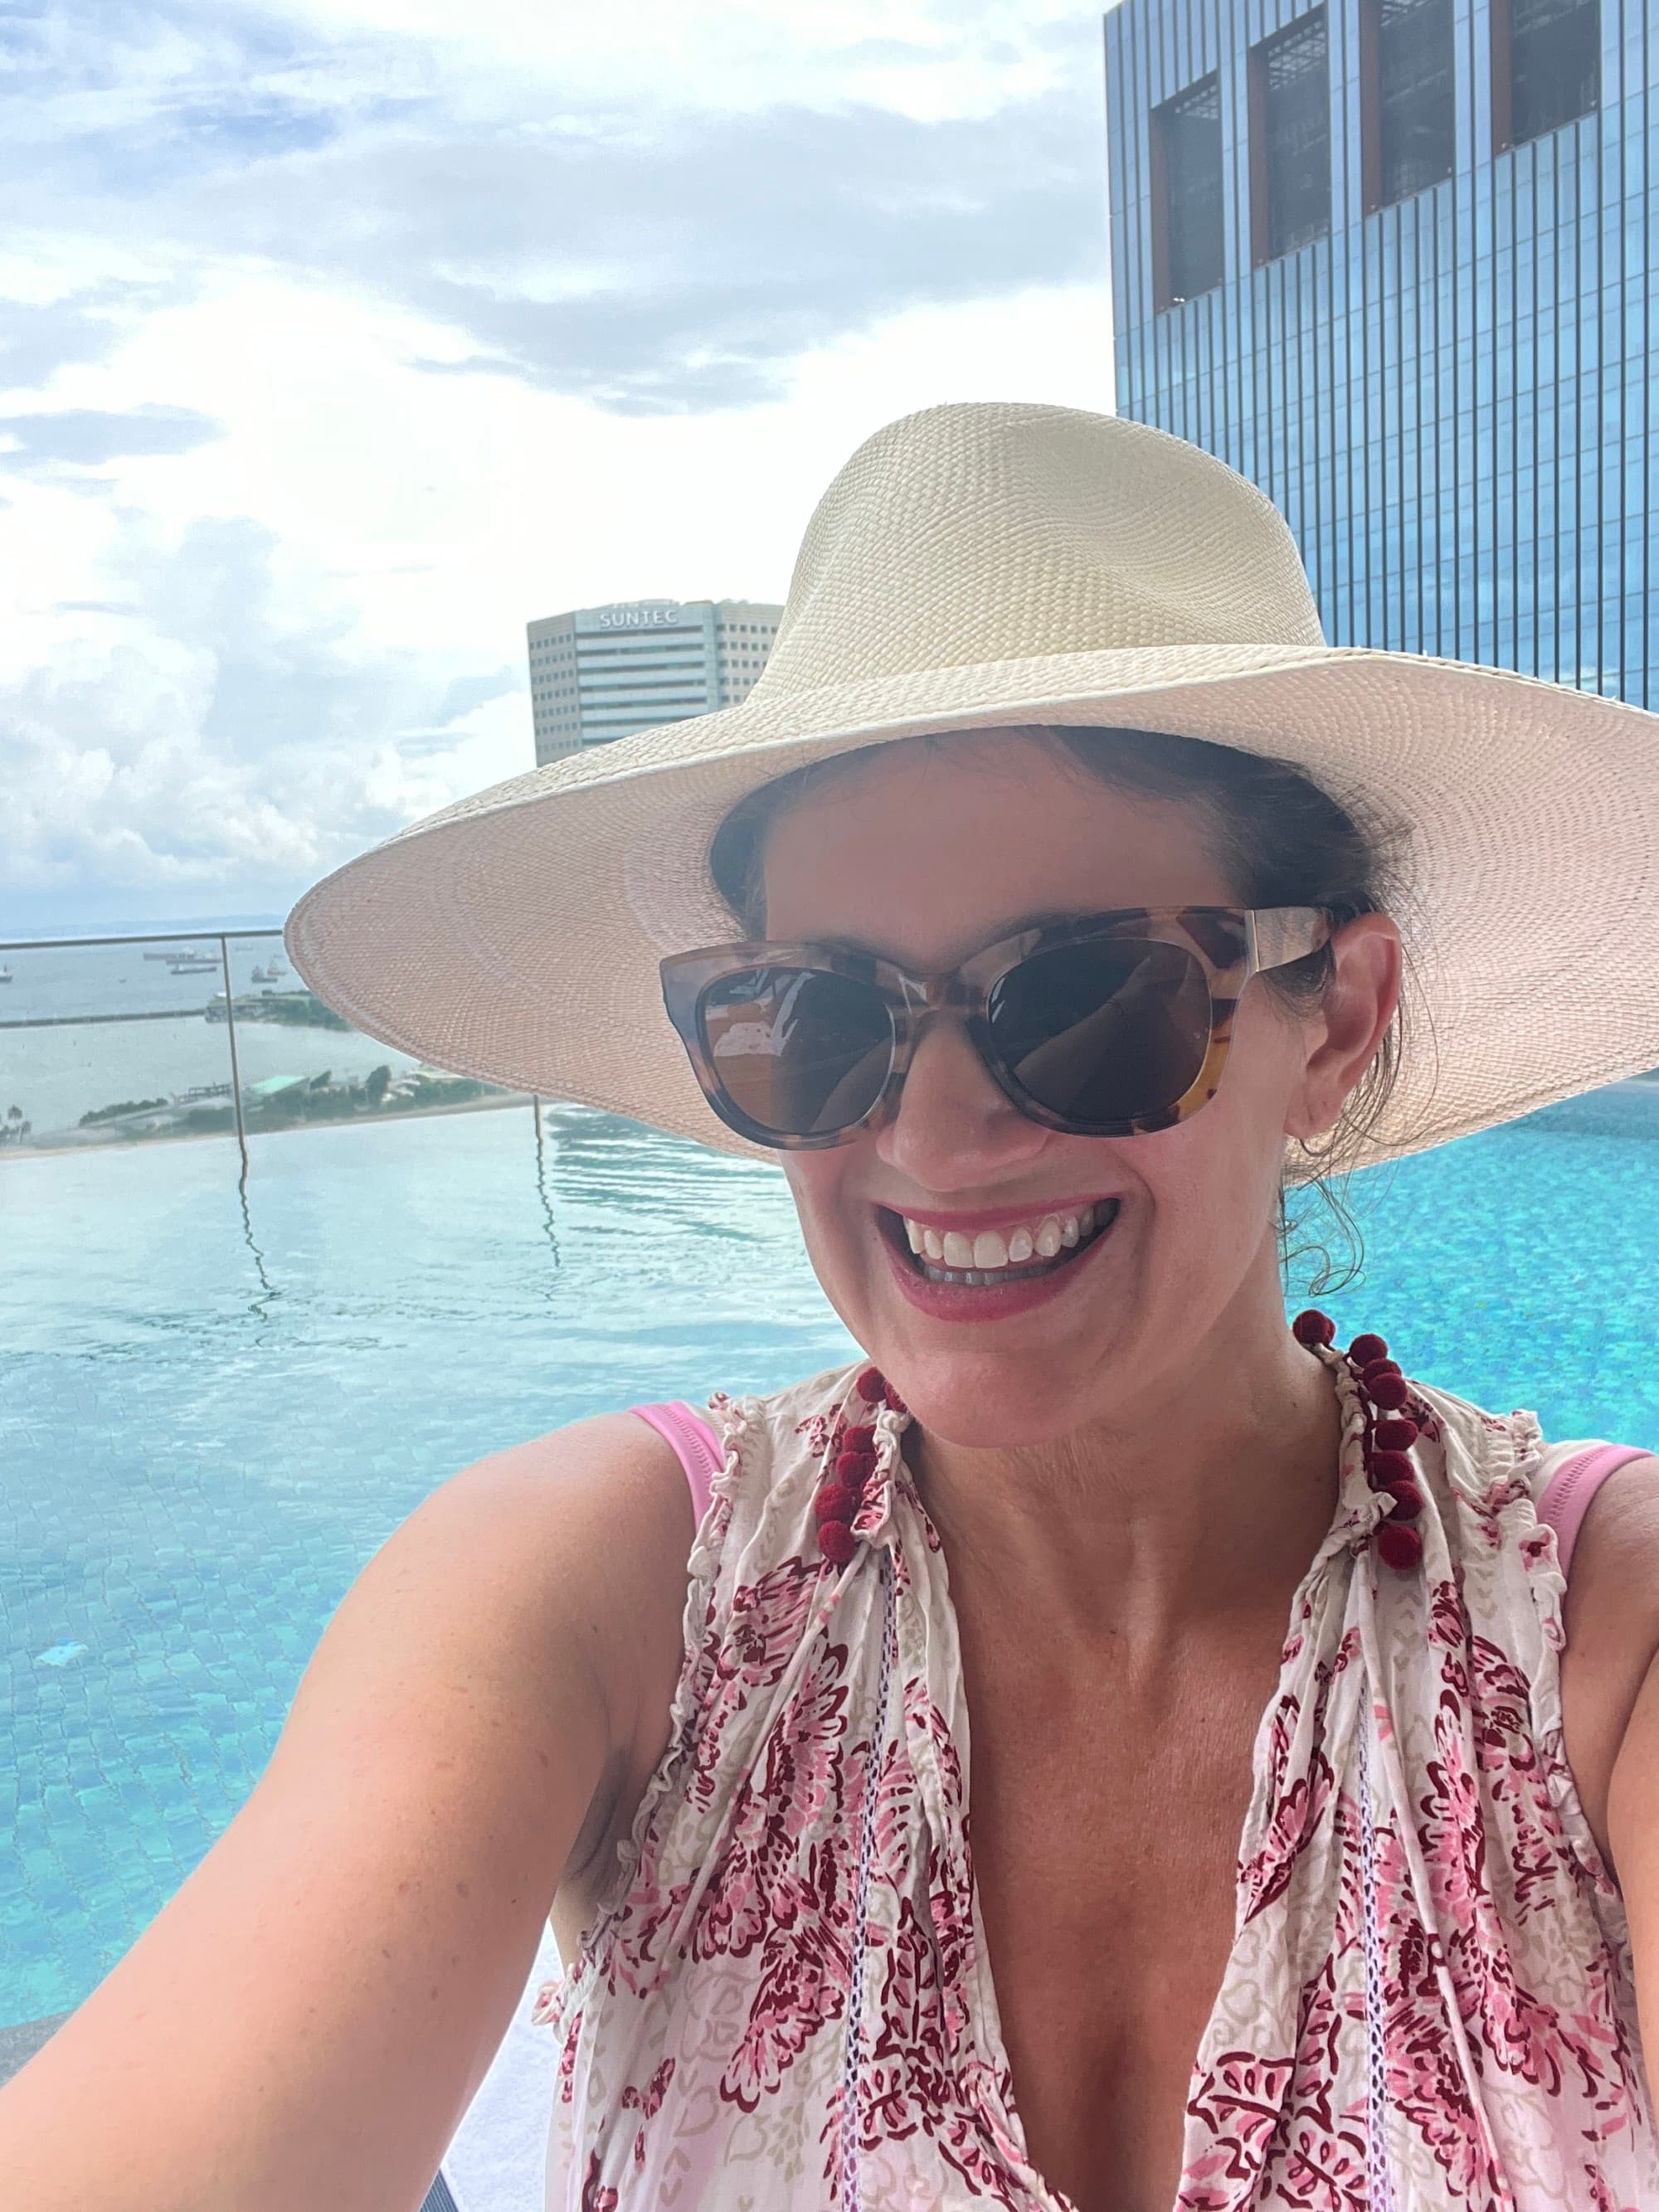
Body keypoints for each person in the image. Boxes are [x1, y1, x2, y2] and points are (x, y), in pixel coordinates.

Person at [4, 403, 1658, 2212]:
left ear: (1327, 1018)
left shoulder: (1599, 1644)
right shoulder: (604, 1593)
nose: (934, 1133)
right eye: (815, 1018)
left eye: (1087, 999)